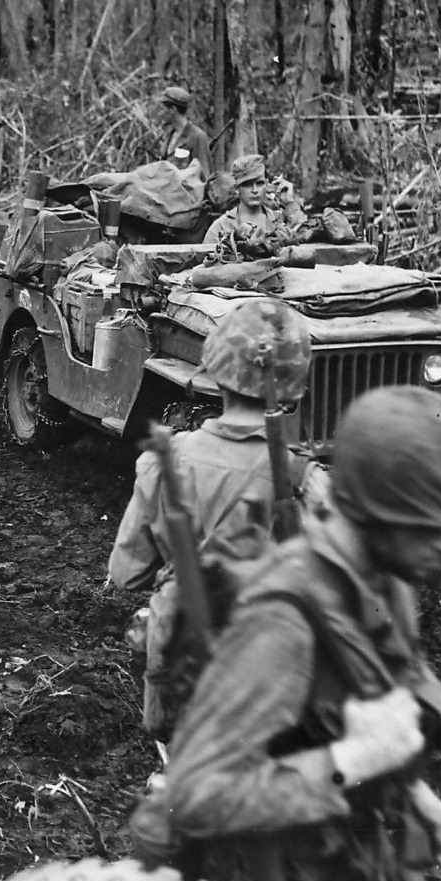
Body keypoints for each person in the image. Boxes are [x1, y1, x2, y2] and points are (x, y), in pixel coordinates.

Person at [130, 385, 441, 881]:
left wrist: (409, 789)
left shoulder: (386, 586)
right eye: (431, 524)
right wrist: (354, 762)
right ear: (381, 512)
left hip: (348, 854)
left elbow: (356, 705)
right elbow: (196, 795)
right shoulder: (282, 620)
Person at [109, 298, 323, 741]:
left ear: (215, 367)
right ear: (292, 382)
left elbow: (127, 574)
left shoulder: (163, 463)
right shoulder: (306, 477)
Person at [203, 153, 307, 246]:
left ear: (266, 184)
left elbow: (304, 238)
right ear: (237, 189)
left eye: (259, 183)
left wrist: (289, 203)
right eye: (247, 185)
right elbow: (204, 263)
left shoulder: (278, 220)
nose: (255, 190)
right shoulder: (221, 227)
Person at [156, 86, 213, 178]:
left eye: (163, 108)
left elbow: (204, 176)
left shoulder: (197, 137)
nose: (160, 113)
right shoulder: (169, 136)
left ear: (173, 109)